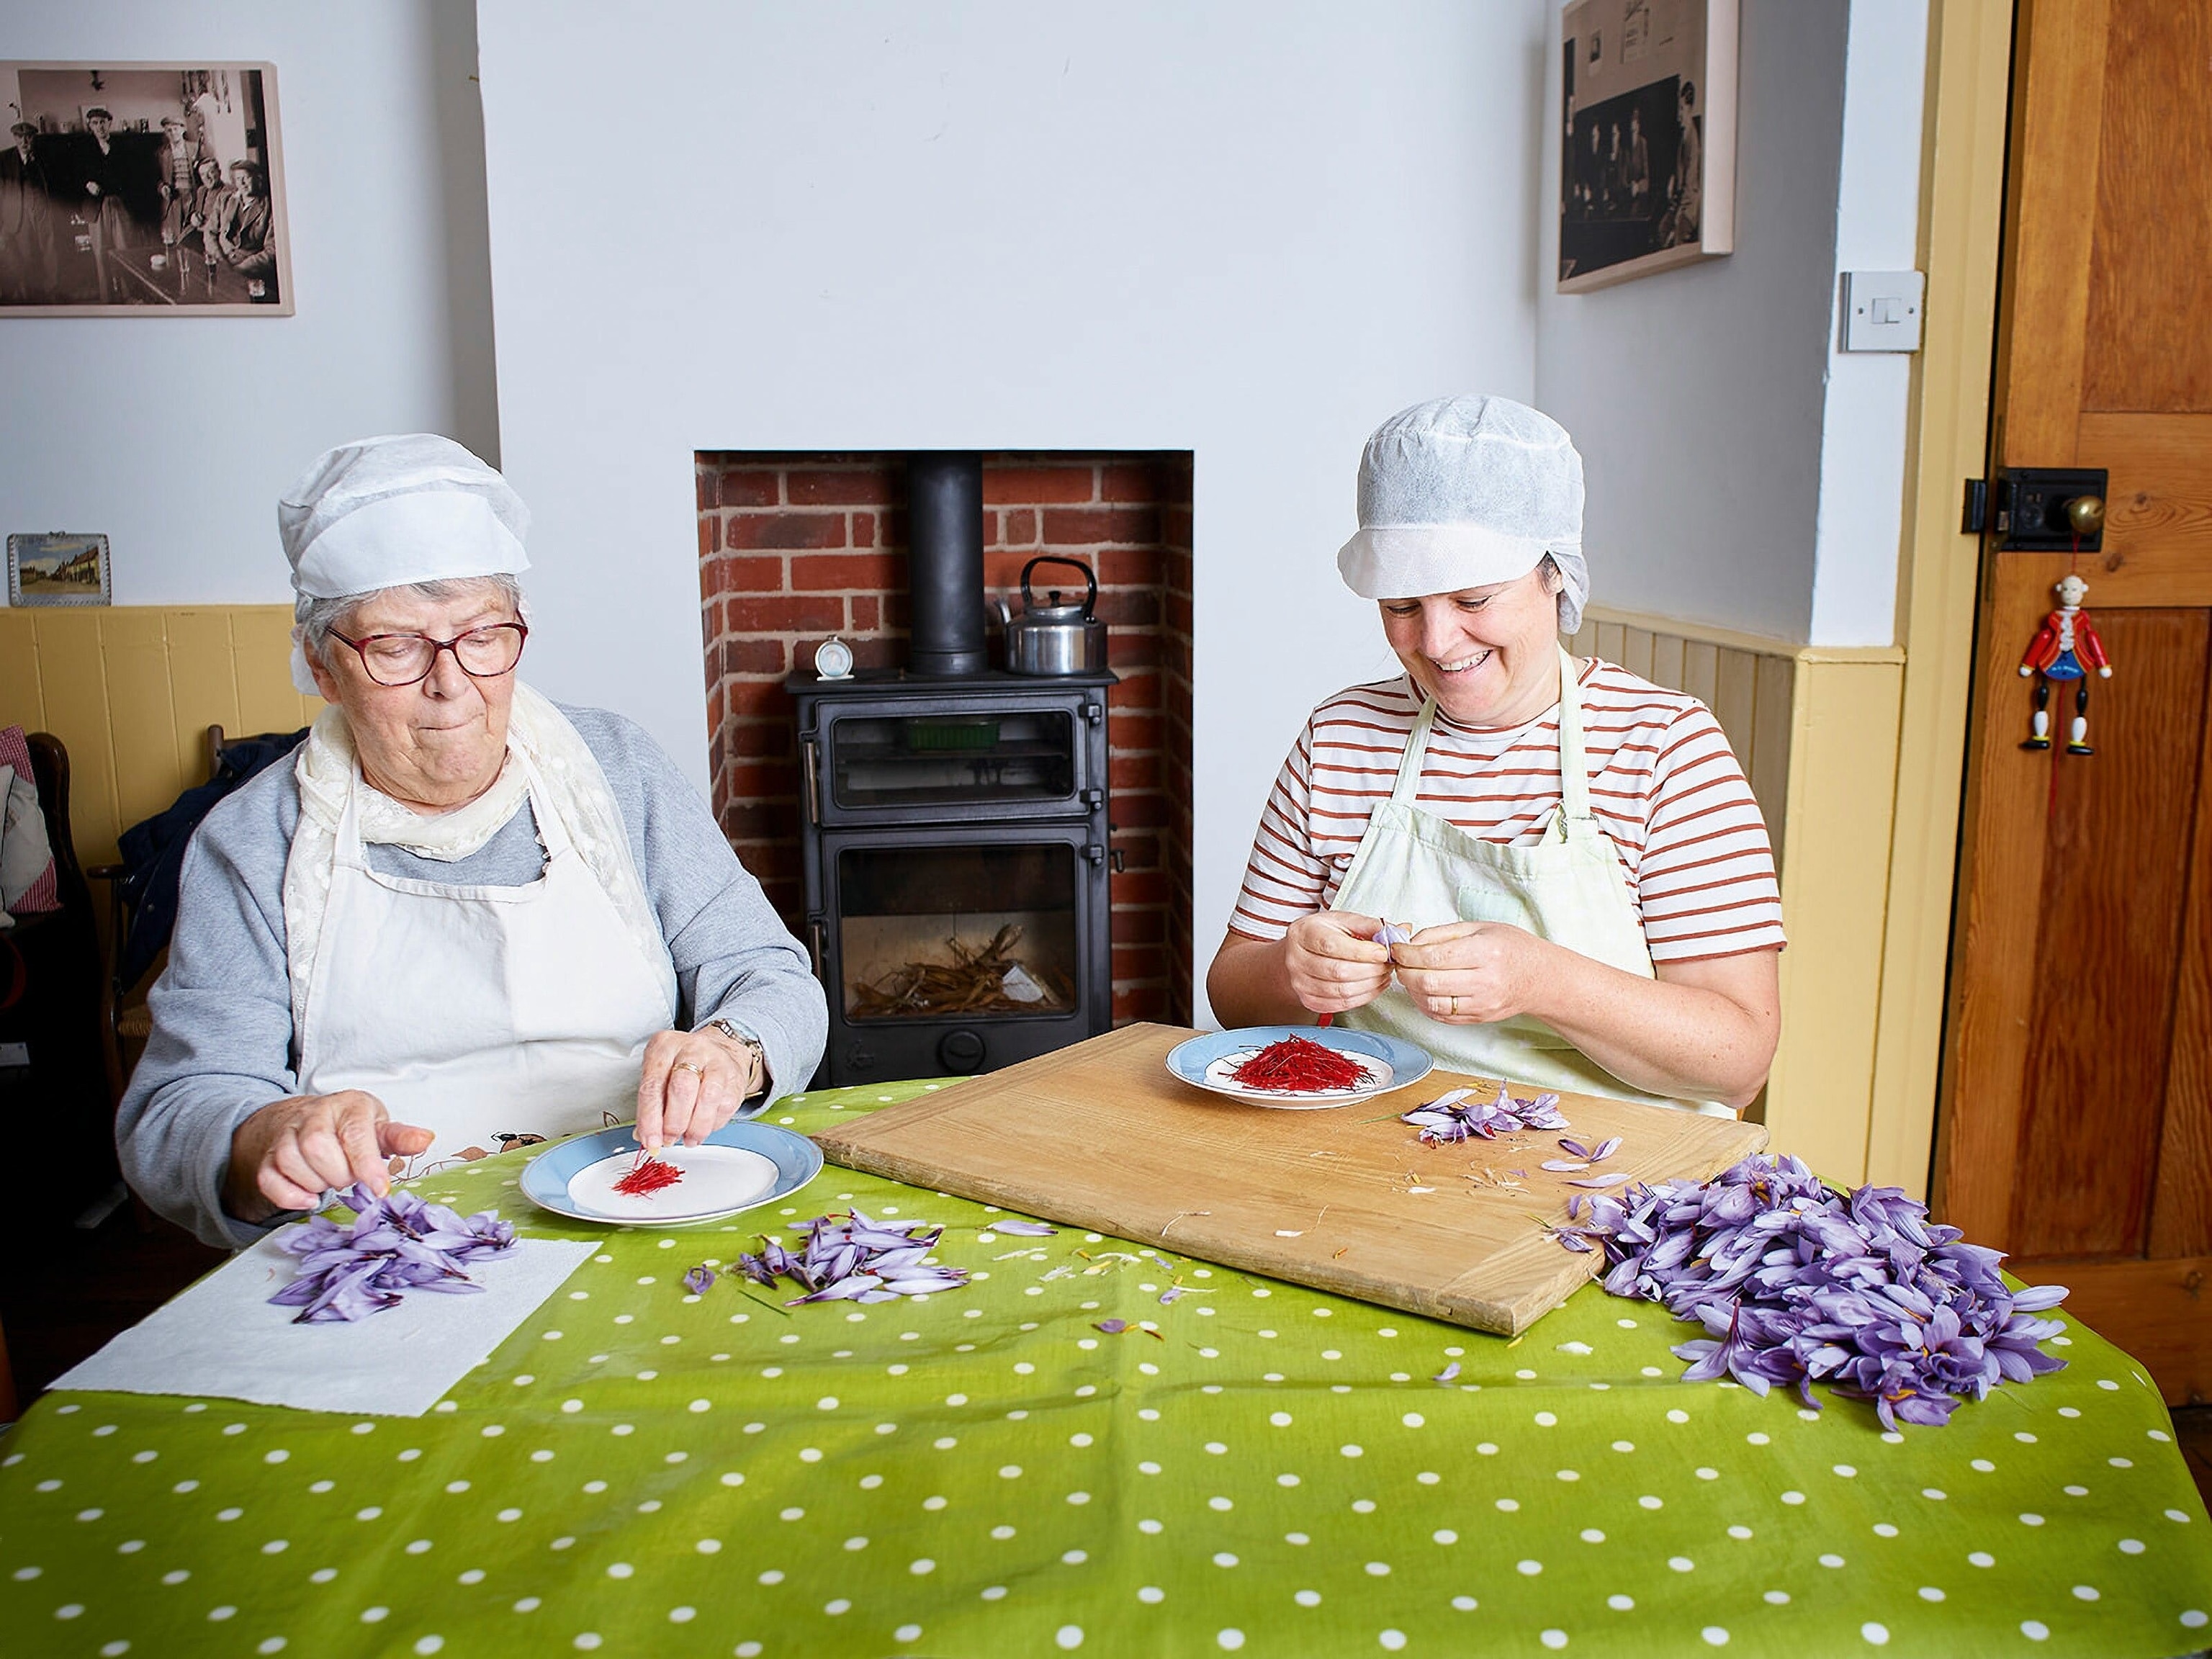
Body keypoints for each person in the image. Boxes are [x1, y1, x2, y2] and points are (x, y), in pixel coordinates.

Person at [117, 435, 829, 1249]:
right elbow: (176, 1112)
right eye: (396, 647)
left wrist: (733, 1051)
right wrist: (264, 1139)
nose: (450, 684)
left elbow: (772, 978)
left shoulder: (617, 769)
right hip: (385, 1244)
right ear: (322, 666)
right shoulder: (253, 839)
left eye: (483, 636)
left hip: (636, 1200)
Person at [1208, 395, 1784, 1112]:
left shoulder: (1665, 750)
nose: (1436, 642)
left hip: (1618, 1165)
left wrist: (1543, 980)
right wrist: (1290, 971)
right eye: (1402, 606)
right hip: (1371, 1149)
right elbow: (1233, 995)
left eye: (1473, 600)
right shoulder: (1340, 738)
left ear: (1555, 574)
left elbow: (1738, 1064)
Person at [0, 121, 57, 302]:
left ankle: (52, 292)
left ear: (34, 138)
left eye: (28, 137)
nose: (24, 142)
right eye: (19, 137)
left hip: (42, 209)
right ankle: (30, 297)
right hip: (19, 214)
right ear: (14, 138)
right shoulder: (4, 159)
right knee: (25, 253)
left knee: (49, 250)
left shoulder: (44, 156)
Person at [214, 160, 276, 287]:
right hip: (222, 262)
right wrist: (220, 259)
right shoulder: (225, 199)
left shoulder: (269, 206)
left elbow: (272, 251)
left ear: (258, 179)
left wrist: (240, 269)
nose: (242, 183)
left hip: (249, 271)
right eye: (238, 179)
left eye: (246, 178)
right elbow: (210, 232)